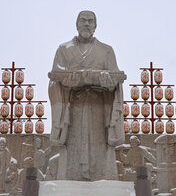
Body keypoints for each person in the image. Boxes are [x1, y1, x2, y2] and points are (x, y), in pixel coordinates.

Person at [48, 10, 126, 180]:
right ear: (76, 24)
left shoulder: (106, 50)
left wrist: (109, 83)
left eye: (91, 21)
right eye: (83, 20)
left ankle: (102, 180)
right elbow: (55, 76)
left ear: (96, 26)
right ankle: (70, 181)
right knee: (72, 146)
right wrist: (69, 81)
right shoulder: (64, 50)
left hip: (99, 106)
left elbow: (116, 80)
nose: (86, 24)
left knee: (100, 148)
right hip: (73, 105)